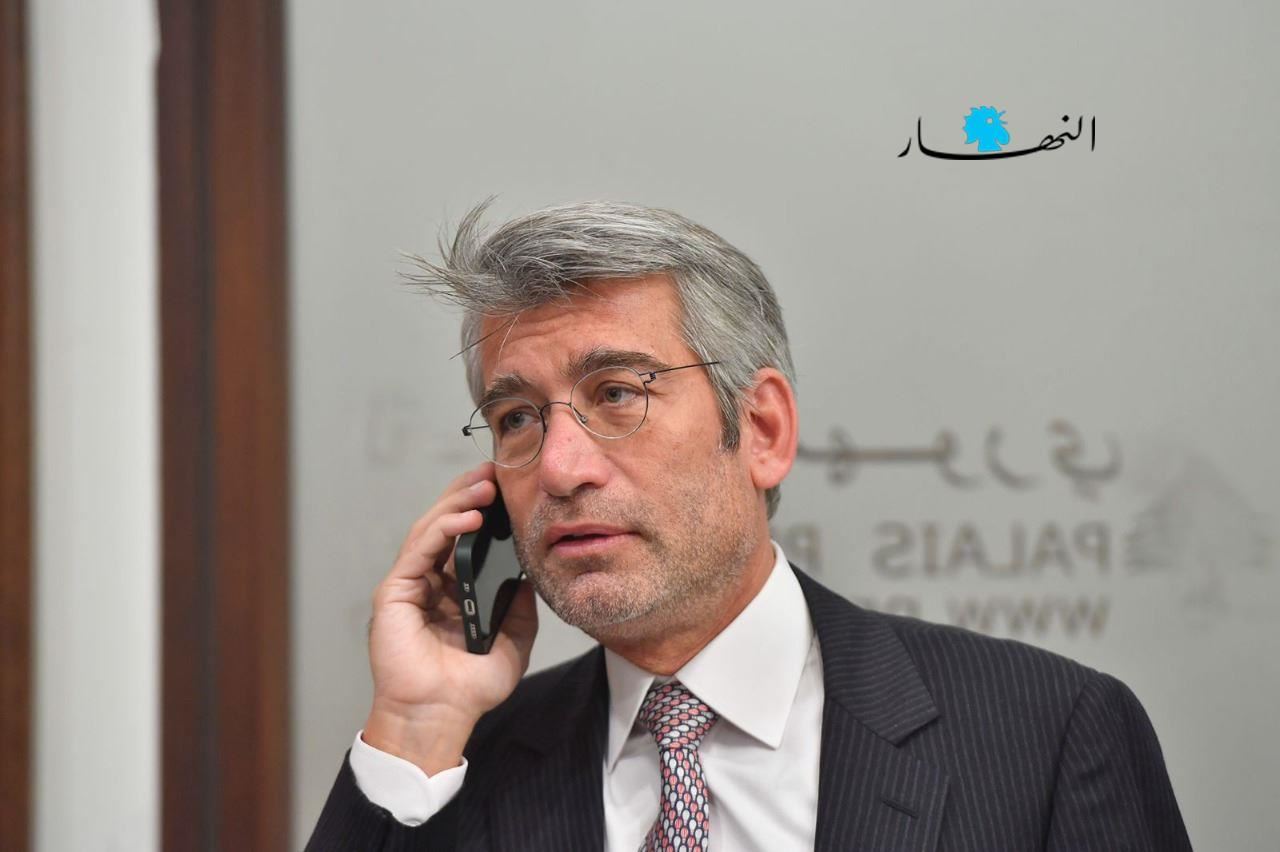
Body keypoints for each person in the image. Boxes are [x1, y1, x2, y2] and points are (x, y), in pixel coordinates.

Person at [305, 201, 1191, 852]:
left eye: (617, 394)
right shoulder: (455, 771)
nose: (562, 468)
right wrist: (416, 722)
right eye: (517, 419)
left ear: (761, 430)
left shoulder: (1048, 733)